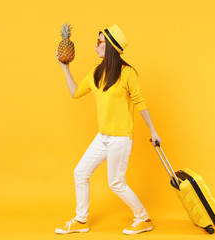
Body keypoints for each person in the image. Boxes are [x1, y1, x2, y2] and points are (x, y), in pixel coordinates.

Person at [55, 24, 161, 235]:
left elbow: (140, 102)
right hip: (102, 137)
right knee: (80, 172)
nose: (95, 46)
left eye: (99, 42)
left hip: (120, 138)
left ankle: (143, 218)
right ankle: (81, 220)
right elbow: (75, 92)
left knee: (115, 182)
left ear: (110, 46)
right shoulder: (96, 73)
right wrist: (65, 68)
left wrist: (153, 131)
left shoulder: (128, 73)